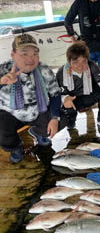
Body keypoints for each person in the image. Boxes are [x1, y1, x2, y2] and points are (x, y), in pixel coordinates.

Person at [0, 34, 67, 164]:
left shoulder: (44, 69)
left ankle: (37, 132)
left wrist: (54, 118)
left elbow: (55, 94)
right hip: (10, 114)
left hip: (37, 110)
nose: (31, 59)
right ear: (13, 54)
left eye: (35, 54)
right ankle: (15, 148)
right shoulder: (2, 70)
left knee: (62, 118)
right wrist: (2, 82)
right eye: (24, 54)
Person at [56, 41, 100, 132]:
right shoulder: (61, 73)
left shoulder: (92, 66)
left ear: (87, 60)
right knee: (66, 106)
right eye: (75, 62)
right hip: (73, 99)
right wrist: (65, 99)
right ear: (69, 61)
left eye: (84, 61)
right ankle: (71, 121)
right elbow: (59, 94)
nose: (80, 66)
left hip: (89, 95)